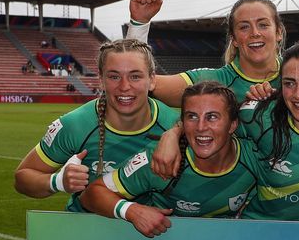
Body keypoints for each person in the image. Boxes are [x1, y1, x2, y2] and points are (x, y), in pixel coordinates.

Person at [153, 42, 299, 221]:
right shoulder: (260, 117)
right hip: (260, 230)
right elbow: (210, 122)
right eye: (289, 83)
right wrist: (172, 134)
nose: (298, 93)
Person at [14, 39, 179, 212]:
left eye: (135, 76)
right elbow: (23, 179)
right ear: (101, 79)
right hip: (88, 229)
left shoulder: (175, 126)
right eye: (114, 76)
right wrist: (57, 182)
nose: (124, 86)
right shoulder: (76, 125)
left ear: (152, 79)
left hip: (155, 231)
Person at [81, 81, 257, 237]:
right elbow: (91, 195)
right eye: (192, 116)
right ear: (182, 122)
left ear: (233, 124)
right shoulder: (160, 160)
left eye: (212, 117)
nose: (201, 127)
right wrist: (132, 211)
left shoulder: (254, 157)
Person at [125, 0, 285, 106]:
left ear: (278, 32)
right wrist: (139, 24)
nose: (255, 33)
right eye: (244, 27)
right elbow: (139, 82)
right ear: (234, 39)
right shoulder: (212, 81)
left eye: (263, 25)